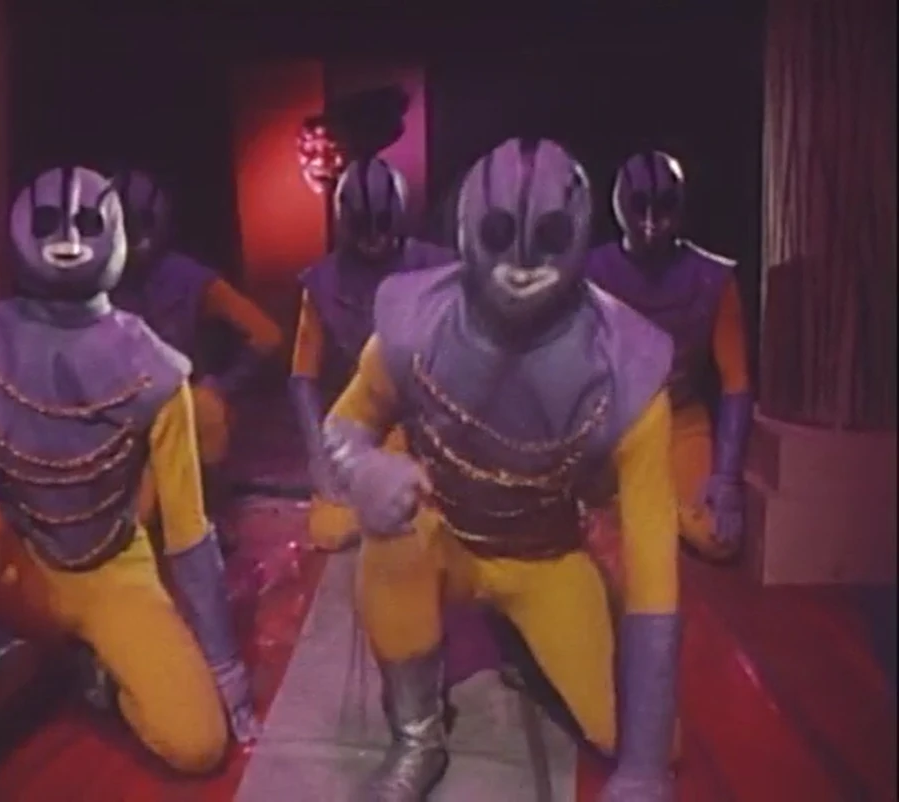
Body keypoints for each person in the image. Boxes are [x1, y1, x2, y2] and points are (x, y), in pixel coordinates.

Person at [322, 138, 681, 801]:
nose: (521, 263)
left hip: (545, 558)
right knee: (394, 535)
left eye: (549, 237)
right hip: (445, 536)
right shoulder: (413, 323)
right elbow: (344, 423)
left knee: (639, 734)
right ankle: (416, 739)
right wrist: (362, 467)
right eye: (497, 234)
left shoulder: (627, 369)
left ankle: (528, 634)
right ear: (465, 230)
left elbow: (655, 573)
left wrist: (644, 768)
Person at [0, 166, 259, 801]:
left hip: (114, 572)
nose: (67, 240)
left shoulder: (155, 368)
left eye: (87, 224)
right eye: (49, 223)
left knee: (198, 745)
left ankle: (94, 674)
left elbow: (187, 530)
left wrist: (226, 667)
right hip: (20, 564)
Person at [585, 150, 752, 561]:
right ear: (620, 205)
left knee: (718, 537)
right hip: (610, 427)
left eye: (662, 207)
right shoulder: (588, 275)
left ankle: (646, 505)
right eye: (639, 206)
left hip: (681, 421)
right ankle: (634, 505)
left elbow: (736, 382)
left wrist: (727, 476)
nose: (650, 222)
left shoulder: (714, 279)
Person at [288, 157, 455, 551]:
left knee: (432, 520)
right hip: (360, 421)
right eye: (362, 226)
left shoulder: (442, 268)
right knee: (330, 530)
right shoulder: (322, 283)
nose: (373, 238)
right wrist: (320, 458)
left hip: (430, 419)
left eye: (382, 224)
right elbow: (302, 380)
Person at [111, 169, 283, 468]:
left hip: (182, 407)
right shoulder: (93, 280)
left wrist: (222, 385)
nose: (131, 242)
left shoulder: (189, 279)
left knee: (206, 413)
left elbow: (268, 335)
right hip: (116, 412)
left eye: (136, 229)